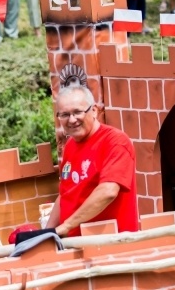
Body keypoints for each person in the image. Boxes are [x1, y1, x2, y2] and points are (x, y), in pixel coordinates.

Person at [45, 85, 138, 237]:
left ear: (94, 110)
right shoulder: (70, 145)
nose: (72, 120)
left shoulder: (115, 141)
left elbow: (108, 191)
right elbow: (65, 195)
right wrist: (46, 233)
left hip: (108, 243)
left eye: (77, 112)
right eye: (65, 114)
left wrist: (66, 226)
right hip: (74, 243)